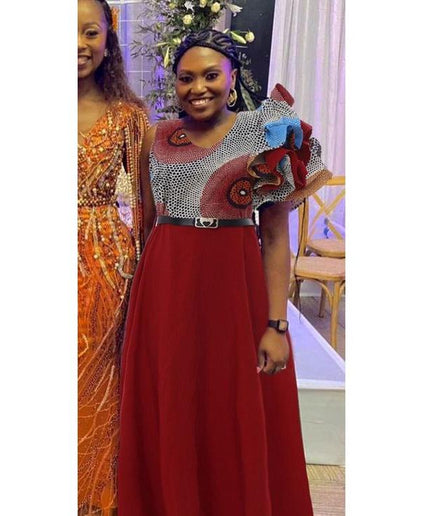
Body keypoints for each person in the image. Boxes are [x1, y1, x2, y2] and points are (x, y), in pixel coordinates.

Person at [118, 29, 331, 516]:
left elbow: (274, 236)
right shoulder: (157, 136)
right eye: (185, 78)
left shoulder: (263, 134)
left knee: (232, 404)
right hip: (166, 284)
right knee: (174, 400)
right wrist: (139, 308)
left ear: (233, 79)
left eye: (211, 75)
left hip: (235, 286)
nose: (198, 88)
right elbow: (147, 223)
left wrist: (277, 325)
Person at [78, 0, 149, 514]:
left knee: (101, 376)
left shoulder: (129, 115)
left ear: (109, 36)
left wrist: (148, 277)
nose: (78, 46)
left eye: (90, 32)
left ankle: (98, 496)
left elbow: (145, 204)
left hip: (107, 262)